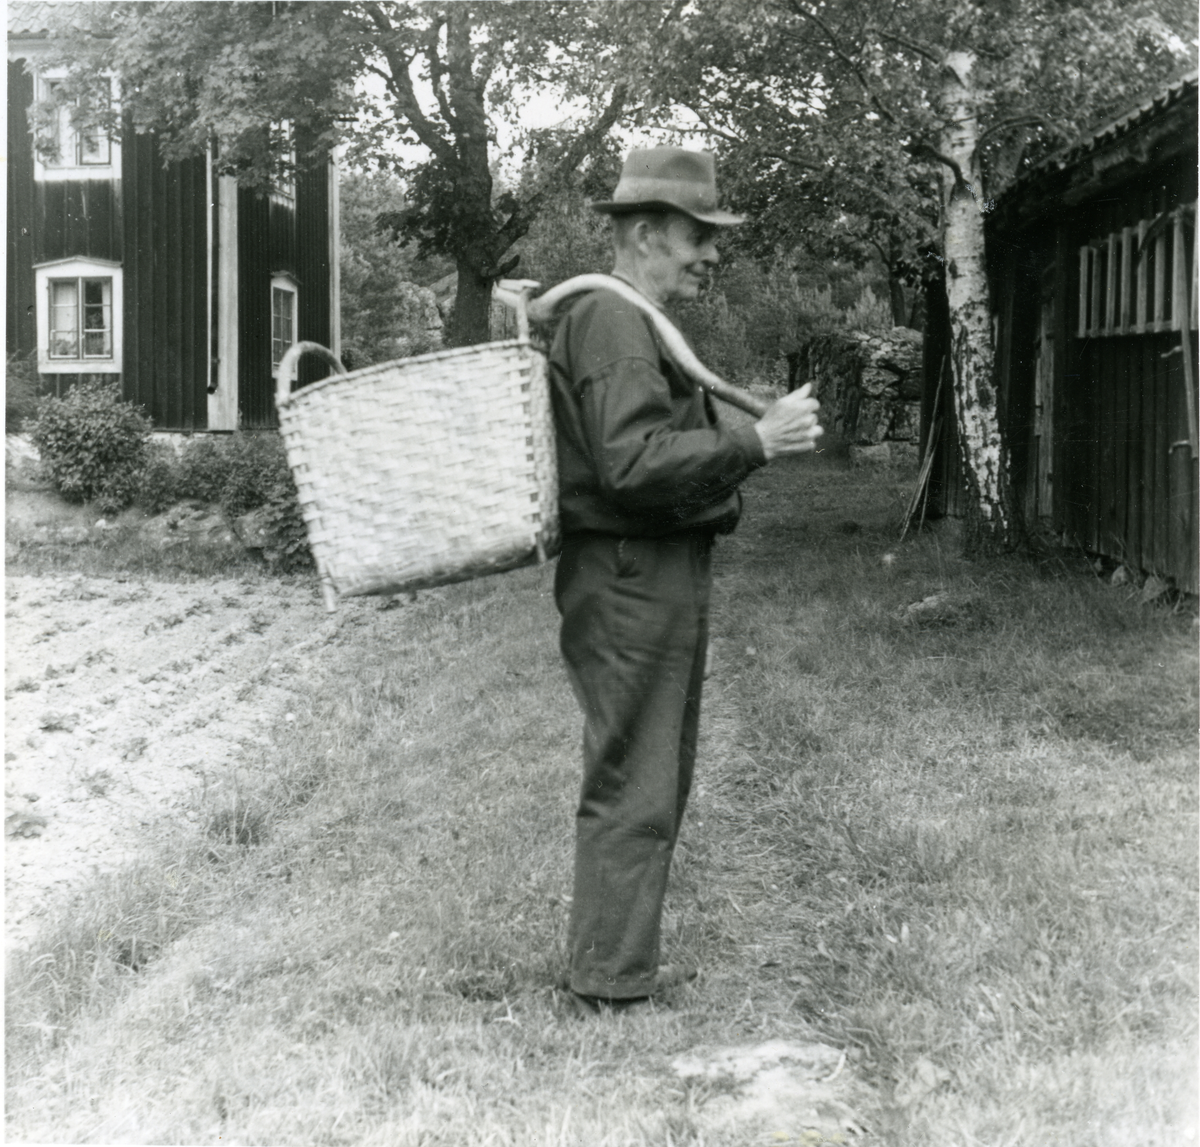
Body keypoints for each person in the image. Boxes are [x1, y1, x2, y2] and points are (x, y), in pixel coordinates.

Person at [548, 147, 823, 1013]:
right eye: (698, 235)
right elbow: (631, 465)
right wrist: (754, 442)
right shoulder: (611, 320)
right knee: (636, 771)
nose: (712, 253)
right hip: (630, 573)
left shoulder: (629, 318)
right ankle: (606, 979)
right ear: (644, 234)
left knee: (651, 766)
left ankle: (616, 962)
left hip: (646, 568)